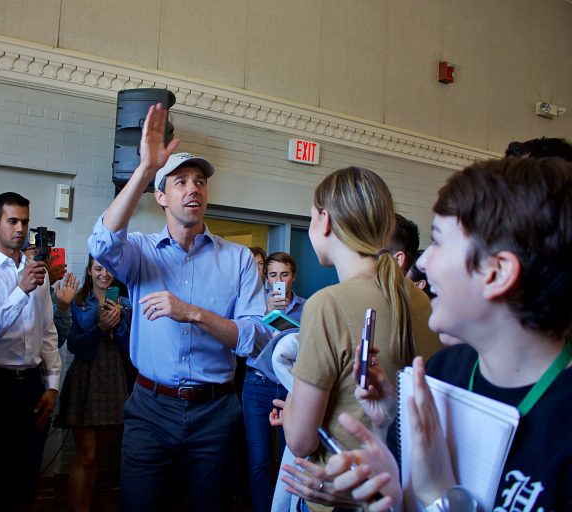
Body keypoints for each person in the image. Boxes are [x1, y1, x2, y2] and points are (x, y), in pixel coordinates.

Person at [286, 157, 572, 512]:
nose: (422, 263)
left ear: (497, 274)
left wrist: (438, 494)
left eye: (440, 243)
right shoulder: (442, 372)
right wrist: (387, 449)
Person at [88, 103, 266, 511]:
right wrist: (145, 169)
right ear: (161, 196)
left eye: (200, 181)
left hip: (216, 412)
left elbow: (256, 337)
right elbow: (101, 243)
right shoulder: (140, 253)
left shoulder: (237, 259)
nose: (193, 189)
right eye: (180, 181)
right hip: (151, 408)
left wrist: (193, 313)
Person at [279, 166, 440, 511]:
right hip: (405, 491)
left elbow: (300, 439)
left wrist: (294, 403)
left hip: (343, 494)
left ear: (324, 221)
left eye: (309, 218)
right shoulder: (420, 299)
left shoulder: (328, 304)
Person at [0, 192, 62, 511]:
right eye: (12, 221)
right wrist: (20, 290)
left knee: (25, 479)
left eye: (25, 222)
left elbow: (47, 331)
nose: (20, 228)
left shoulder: (37, 272)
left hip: (31, 385)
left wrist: (53, 385)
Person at [57, 256, 132, 512]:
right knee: (86, 455)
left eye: (109, 268)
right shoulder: (79, 301)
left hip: (112, 376)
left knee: (98, 456)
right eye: (98, 268)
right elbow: (73, 345)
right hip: (86, 376)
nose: (104, 273)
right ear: (90, 270)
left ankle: (86, 505)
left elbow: (129, 347)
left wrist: (119, 324)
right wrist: (99, 328)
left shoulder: (124, 302)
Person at [243, 251, 305, 512]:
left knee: (290, 456)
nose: (278, 279)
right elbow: (244, 349)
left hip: (291, 387)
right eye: (272, 274)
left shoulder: (308, 307)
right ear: (265, 278)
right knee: (259, 458)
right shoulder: (252, 305)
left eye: (284, 274)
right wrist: (266, 316)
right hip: (257, 386)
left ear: (293, 277)